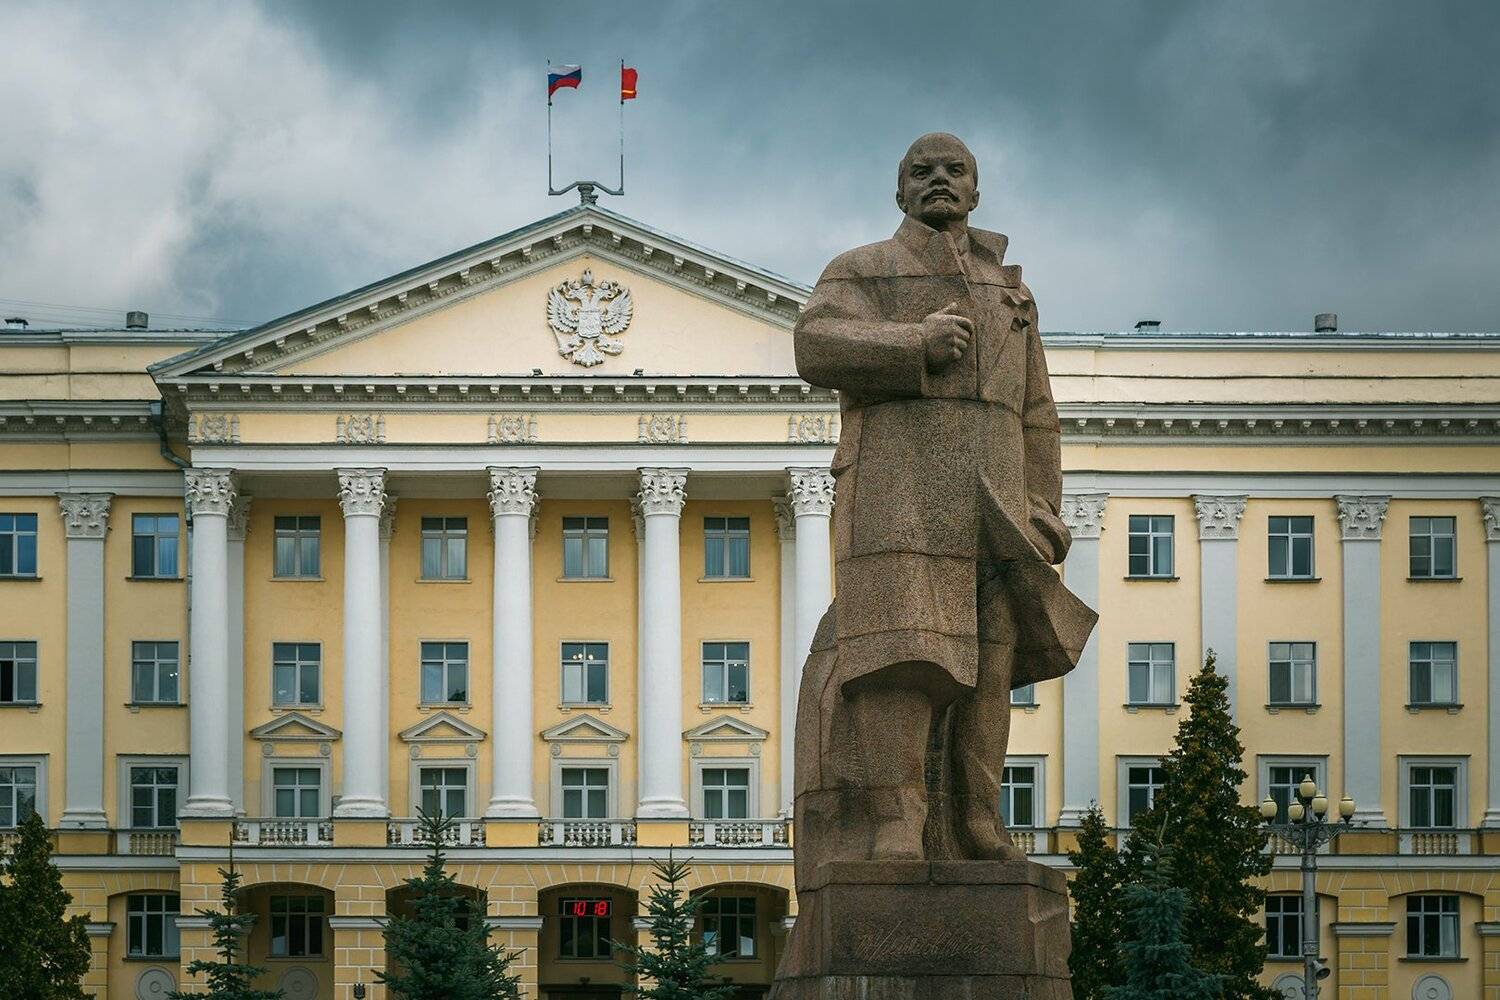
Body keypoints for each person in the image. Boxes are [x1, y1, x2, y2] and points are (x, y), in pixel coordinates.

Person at [793, 132, 1097, 860]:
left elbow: (1037, 412)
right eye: (920, 172)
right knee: (900, 656)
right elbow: (814, 345)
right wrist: (912, 342)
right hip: (896, 492)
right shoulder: (863, 269)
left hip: (992, 500)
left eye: (954, 170)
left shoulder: (1010, 291)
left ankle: (977, 819)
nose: (938, 180)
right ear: (899, 191)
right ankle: (898, 819)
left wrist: (1042, 506)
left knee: (991, 665)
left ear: (975, 190)